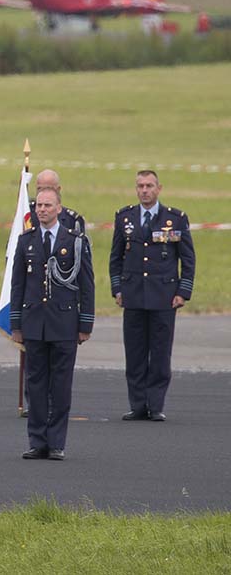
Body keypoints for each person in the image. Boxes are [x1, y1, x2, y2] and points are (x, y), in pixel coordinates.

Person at [10, 188, 94, 461]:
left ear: (59, 208)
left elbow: (86, 285)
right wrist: (16, 325)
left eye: (48, 205)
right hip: (34, 324)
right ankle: (37, 441)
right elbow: (18, 285)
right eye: (39, 205)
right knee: (35, 385)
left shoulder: (75, 241)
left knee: (60, 386)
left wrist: (85, 324)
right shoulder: (27, 241)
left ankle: (56, 442)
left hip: (64, 324)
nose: (42, 209)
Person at [109, 170, 195, 422]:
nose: (144, 190)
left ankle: (155, 405)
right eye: (140, 186)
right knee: (135, 353)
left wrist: (183, 292)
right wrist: (117, 289)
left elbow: (187, 259)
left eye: (149, 186)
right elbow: (116, 258)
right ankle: (137, 405)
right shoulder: (124, 218)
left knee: (159, 353)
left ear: (159, 188)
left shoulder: (175, 219)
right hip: (133, 295)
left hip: (164, 296)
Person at [28, 169, 86, 235]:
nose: (44, 193)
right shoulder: (27, 214)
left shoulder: (72, 221)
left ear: (58, 190)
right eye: (40, 189)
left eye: (49, 189)